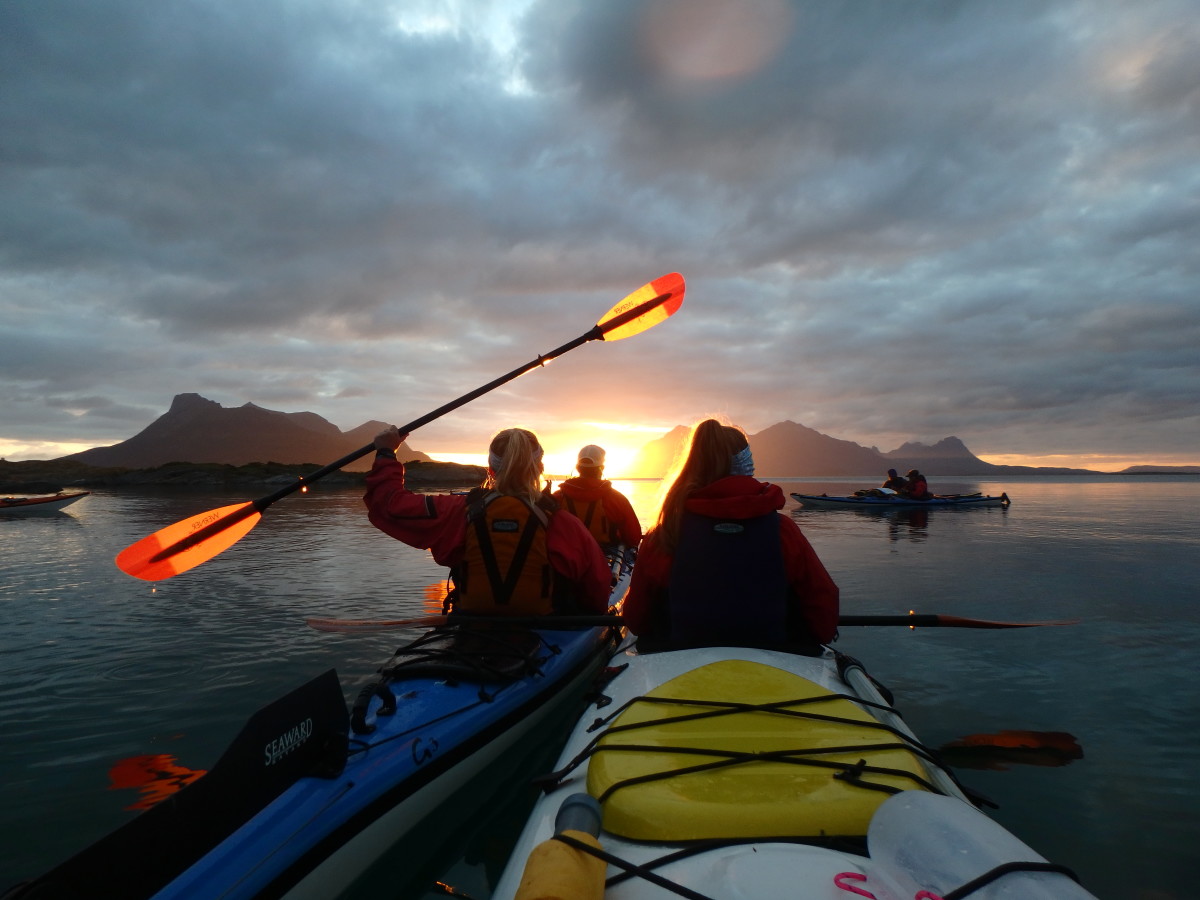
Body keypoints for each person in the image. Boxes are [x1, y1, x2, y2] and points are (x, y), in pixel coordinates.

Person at [623, 419, 840, 650]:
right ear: (746, 463)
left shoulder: (665, 533)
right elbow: (823, 606)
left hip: (680, 652)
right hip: (773, 652)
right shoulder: (783, 530)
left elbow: (637, 619)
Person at [364, 425, 612, 616]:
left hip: (470, 622)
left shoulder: (454, 511)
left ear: (490, 469)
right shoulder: (565, 524)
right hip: (545, 626)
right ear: (539, 467)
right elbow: (597, 592)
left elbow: (388, 504)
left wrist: (386, 453)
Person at [552, 444, 643, 553]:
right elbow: (633, 537)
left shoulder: (557, 498)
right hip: (604, 559)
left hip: (566, 558)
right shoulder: (616, 499)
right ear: (602, 468)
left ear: (577, 468)